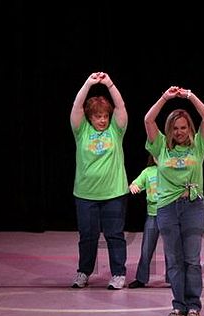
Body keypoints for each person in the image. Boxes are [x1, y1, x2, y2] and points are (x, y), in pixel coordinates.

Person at [144, 86, 204, 316]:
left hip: (193, 207)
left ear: (189, 128)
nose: (180, 132)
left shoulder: (198, 146)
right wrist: (165, 97)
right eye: (175, 128)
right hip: (166, 209)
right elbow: (148, 119)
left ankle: (194, 305)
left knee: (192, 259)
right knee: (173, 259)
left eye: (183, 127)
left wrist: (190, 96)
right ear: (169, 130)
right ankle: (178, 305)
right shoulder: (160, 146)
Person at [69, 72, 129, 290]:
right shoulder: (81, 131)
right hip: (85, 195)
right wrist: (88, 83)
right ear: (90, 118)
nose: (103, 120)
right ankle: (83, 272)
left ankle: (118, 274)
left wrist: (110, 84)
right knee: (87, 236)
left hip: (114, 194)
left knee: (115, 235)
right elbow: (76, 107)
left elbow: (121, 107)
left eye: (105, 116)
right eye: (98, 116)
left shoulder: (116, 130)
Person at [128, 154, 169, 288]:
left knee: (171, 249)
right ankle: (141, 278)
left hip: (169, 215)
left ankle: (173, 279)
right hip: (153, 215)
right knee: (146, 248)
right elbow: (135, 183)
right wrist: (133, 186)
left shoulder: (171, 170)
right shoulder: (148, 172)